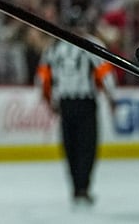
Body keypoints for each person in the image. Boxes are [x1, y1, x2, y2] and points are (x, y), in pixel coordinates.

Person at [37, 31, 117, 207]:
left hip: (66, 103)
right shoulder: (92, 44)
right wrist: (112, 97)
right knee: (86, 147)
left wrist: (47, 98)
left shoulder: (54, 47)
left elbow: (43, 76)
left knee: (70, 147)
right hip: (85, 103)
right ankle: (82, 188)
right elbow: (105, 73)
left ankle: (76, 188)